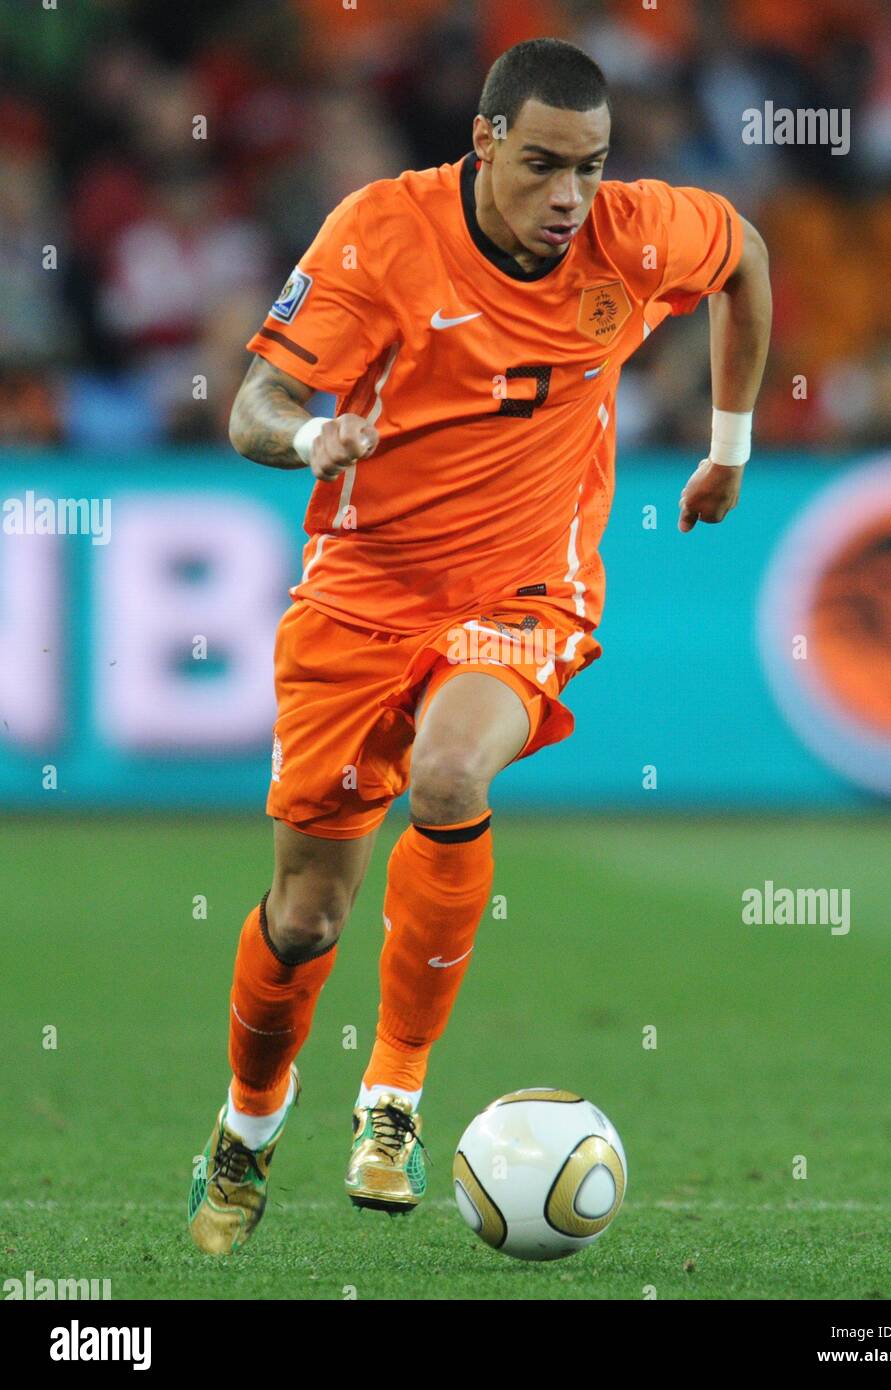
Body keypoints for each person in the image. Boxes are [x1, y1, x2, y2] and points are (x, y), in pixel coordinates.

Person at [188, 36, 771, 1255]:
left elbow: (746, 259)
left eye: (593, 169)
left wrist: (731, 442)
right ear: (487, 143)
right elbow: (252, 403)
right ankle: (248, 1127)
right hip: (360, 594)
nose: (570, 198)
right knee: (306, 917)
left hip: (525, 589)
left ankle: (391, 1104)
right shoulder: (380, 235)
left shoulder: (633, 234)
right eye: (546, 165)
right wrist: (311, 443)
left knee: (453, 774)